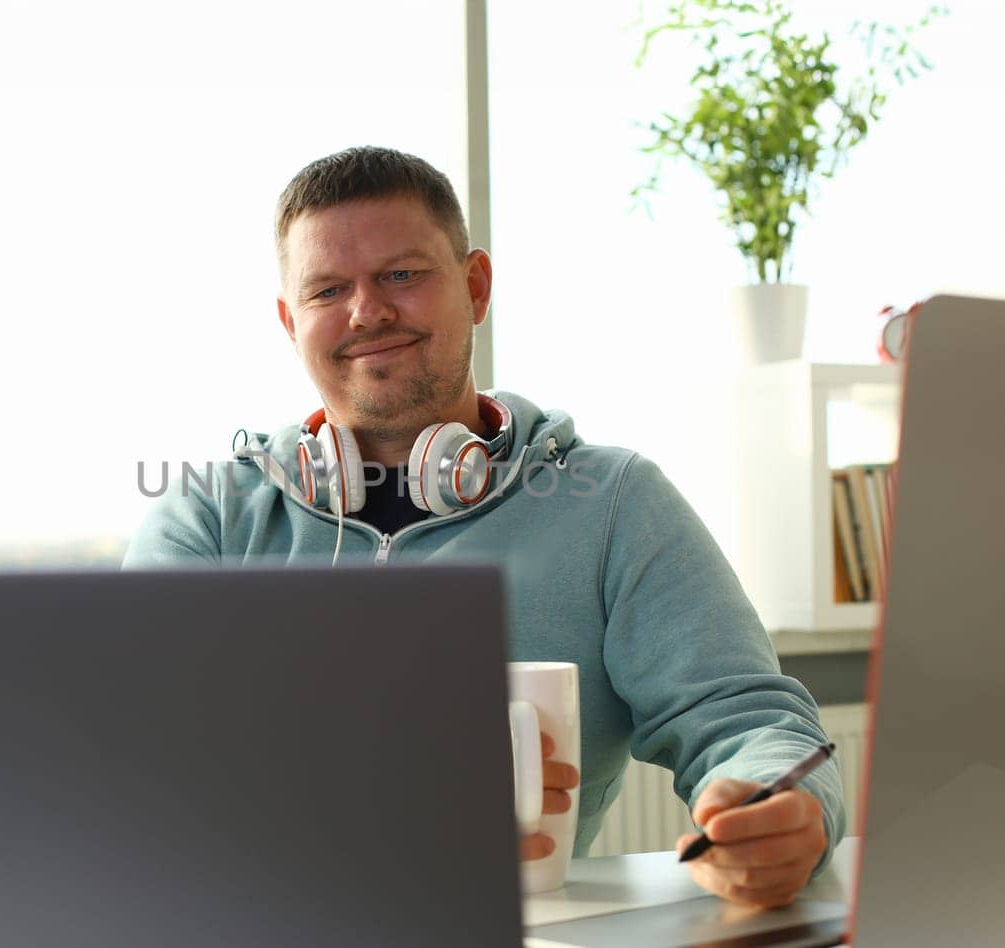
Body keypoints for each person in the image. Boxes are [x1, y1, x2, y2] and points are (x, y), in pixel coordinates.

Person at [122, 146, 846, 908]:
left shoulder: (614, 503)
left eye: (401, 274)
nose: (367, 311)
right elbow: (133, 760)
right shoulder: (209, 515)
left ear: (475, 286)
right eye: (329, 289)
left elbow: (748, 716)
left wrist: (781, 808)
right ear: (289, 321)